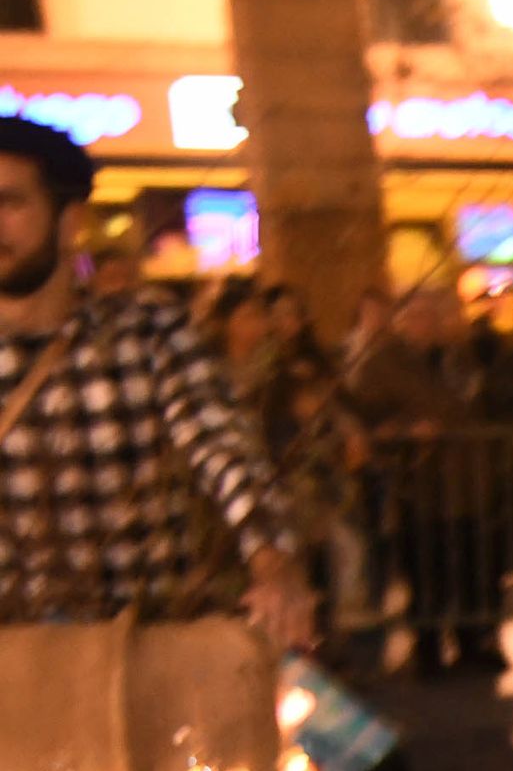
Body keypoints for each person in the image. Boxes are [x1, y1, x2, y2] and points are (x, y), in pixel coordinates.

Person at [0, 116, 311, 647]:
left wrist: (271, 560)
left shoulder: (144, 330)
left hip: (139, 649)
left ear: (69, 219)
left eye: (10, 202)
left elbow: (221, 445)